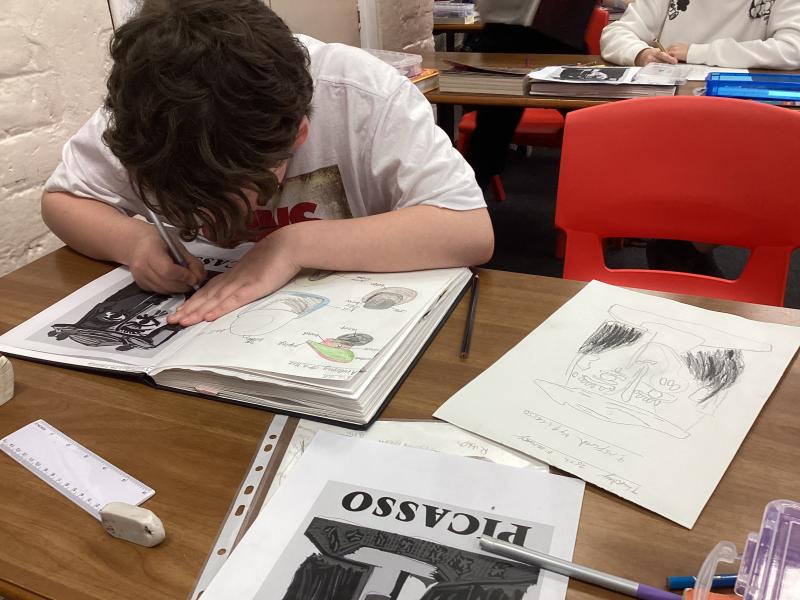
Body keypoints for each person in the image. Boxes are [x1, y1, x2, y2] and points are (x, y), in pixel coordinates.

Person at [41, 0, 493, 327]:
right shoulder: (144, 115)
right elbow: (62, 200)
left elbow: (469, 230)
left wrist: (292, 245)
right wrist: (135, 242)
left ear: (298, 135)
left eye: (238, 197)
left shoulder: (363, 96)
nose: (216, 226)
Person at [465, 0, 595, 189]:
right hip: (507, 30)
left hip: (558, 29)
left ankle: (607, 191)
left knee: (593, 122)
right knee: (490, 134)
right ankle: (468, 199)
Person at [601, 0, 800, 68]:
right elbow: (616, 32)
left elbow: (792, 49)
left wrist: (697, 53)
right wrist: (640, 53)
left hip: (747, 105)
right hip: (668, 103)